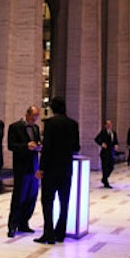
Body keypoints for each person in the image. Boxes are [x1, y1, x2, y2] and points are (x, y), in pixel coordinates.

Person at [34, 96, 80, 244]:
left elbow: (47, 148)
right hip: (66, 169)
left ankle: (48, 234)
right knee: (64, 201)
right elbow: (76, 147)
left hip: (51, 169)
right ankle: (60, 233)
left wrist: (41, 168)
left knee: (47, 201)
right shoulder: (73, 124)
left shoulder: (50, 124)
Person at [7, 105, 42, 238]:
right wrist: (26, 146)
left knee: (31, 196)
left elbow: (37, 142)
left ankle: (24, 222)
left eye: (37, 116)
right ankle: (12, 225)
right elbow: (11, 145)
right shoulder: (15, 127)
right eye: (34, 116)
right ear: (27, 114)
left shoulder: (35, 128)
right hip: (21, 167)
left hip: (33, 166)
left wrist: (38, 146)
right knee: (19, 196)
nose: (35, 119)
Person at [95, 119, 119, 188]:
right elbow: (97, 139)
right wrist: (102, 144)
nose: (109, 125)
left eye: (110, 124)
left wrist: (116, 145)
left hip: (111, 152)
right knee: (105, 167)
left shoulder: (113, 133)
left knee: (111, 166)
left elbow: (115, 141)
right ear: (105, 125)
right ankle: (106, 182)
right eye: (108, 124)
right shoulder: (103, 132)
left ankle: (104, 179)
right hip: (104, 152)